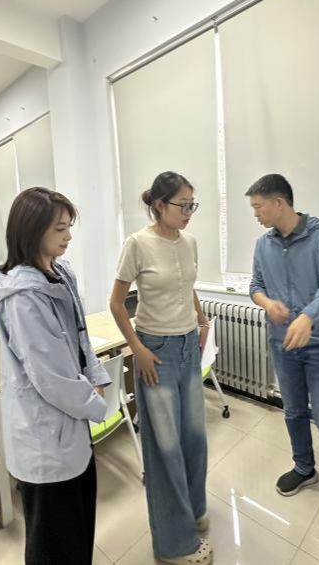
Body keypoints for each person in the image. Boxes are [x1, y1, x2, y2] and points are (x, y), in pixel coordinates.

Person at [0, 187, 111, 565]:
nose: (68, 235)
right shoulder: (23, 296)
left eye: (69, 226)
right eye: (60, 228)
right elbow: (50, 377)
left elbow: (80, 335)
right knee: (54, 545)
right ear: (32, 230)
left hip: (71, 426)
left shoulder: (59, 272)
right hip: (45, 437)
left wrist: (95, 375)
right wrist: (95, 403)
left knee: (78, 532)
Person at [109, 171, 213, 565]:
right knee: (166, 446)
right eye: (182, 205)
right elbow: (117, 302)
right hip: (156, 351)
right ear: (158, 205)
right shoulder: (137, 244)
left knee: (195, 437)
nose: (189, 212)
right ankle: (174, 543)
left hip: (188, 345)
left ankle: (193, 510)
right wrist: (136, 349)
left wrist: (201, 320)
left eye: (192, 204)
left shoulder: (190, 242)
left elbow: (187, 286)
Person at [245, 173, 319, 527]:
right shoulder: (263, 245)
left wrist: (307, 317)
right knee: (293, 411)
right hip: (282, 343)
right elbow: (255, 285)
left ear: (279, 203)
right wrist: (267, 303)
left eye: (258, 206)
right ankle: (304, 468)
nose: (255, 214)